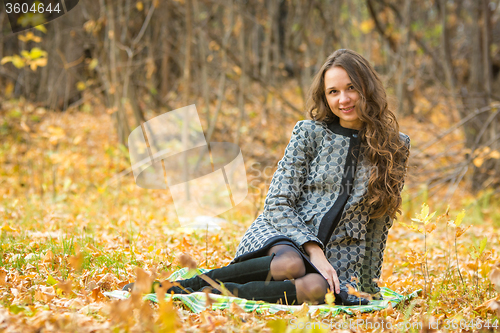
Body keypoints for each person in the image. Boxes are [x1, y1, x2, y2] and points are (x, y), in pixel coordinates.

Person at [124, 49, 411, 306]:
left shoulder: (395, 146)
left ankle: (211, 296)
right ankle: (181, 288)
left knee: (316, 288)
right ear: (324, 97)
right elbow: (277, 202)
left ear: (368, 88)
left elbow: (379, 221)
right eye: (333, 92)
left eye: (351, 88)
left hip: (341, 256)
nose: (343, 99)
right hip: (282, 233)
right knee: (291, 264)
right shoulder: (310, 133)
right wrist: (314, 251)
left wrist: (369, 286)